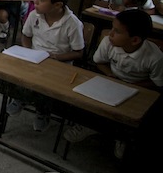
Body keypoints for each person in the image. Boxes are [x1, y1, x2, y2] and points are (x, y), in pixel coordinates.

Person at [63, 10, 163, 157]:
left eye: (117, 31)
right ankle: (90, 126)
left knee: (129, 115)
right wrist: (110, 75)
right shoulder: (109, 43)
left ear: (134, 40)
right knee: (90, 101)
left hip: (139, 90)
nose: (110, 34)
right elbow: (99, 62)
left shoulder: (155, 57)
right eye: (112, 28)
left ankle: (121, 137)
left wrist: (132, 86)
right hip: (112, 80)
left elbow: (157, 83)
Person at [6, 0, 85, 131]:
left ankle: (43, 110)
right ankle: (21, 97)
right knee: (17, 73)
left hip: (59, 65)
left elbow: (78, 52)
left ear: (57, 5)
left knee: (45, 86)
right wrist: (28, 52)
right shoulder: (34, 15)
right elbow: (26, 36)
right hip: (34, 59)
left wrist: (56, 58)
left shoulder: (72, 24)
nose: (35, 1)